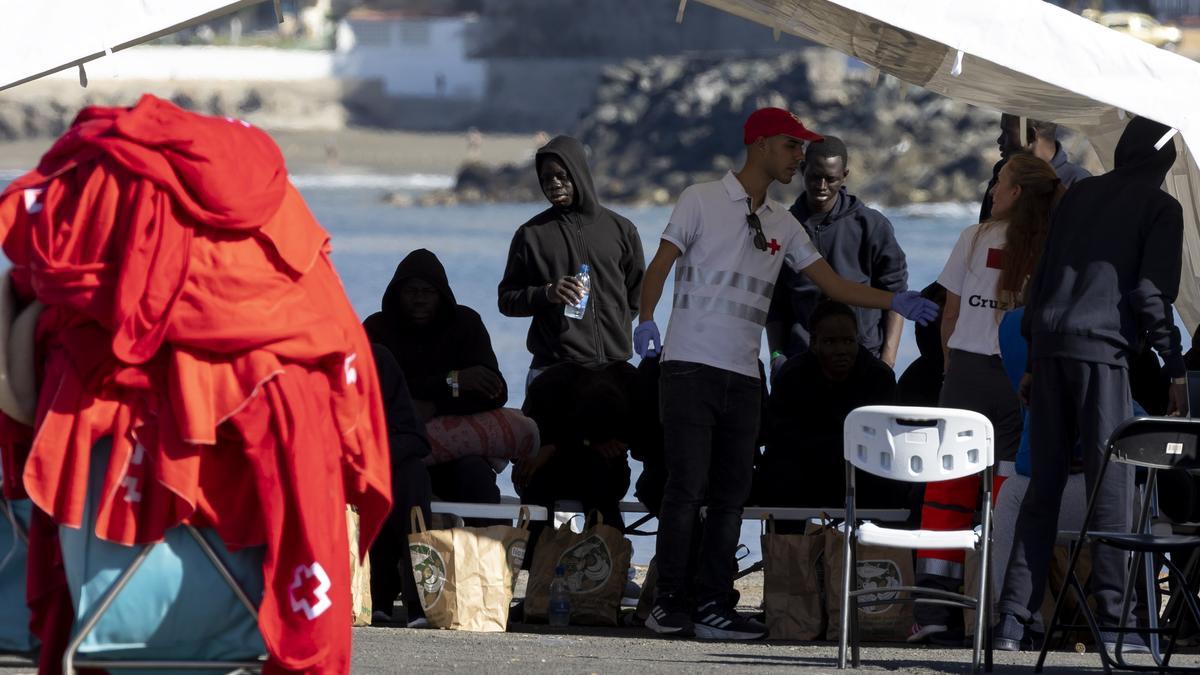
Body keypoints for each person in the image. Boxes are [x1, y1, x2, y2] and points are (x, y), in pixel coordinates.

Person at [635, 107, 938, 640]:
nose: (801, 157)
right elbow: (659, 264)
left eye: (803, 148)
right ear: (759, 144)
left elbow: (835, 286)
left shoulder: (783, 222)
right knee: (685, 490)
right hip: (688, 367)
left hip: (745, 376)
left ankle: (712, 607)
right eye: (792, 146)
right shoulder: (699, 199)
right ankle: (669, 603)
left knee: (731, 494)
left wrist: (896, 300)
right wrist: (644, 320)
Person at [994, 116, 1188, 655]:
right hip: (1101, 352)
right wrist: (1173, 366)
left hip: (1050, 345)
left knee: (1045, 487)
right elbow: (1152, 296)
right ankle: (1115, 621)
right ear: (1163, 162)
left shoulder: (1079, 195)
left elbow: (1045, 274)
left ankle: (1012, 620)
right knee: (1112, 488)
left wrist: (1032, 357)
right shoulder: (1160, 208)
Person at [909, 152, 1065, 645]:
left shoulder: (974, 238)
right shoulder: (1052, 245)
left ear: (1016, 192)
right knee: (1009, 502)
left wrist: (953, 370)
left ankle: (934, 615)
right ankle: (1008, 615)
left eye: (1000, 181)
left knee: (947, 498)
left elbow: (949, 315)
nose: (993, 188)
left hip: (968, 376)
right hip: (1019, 380)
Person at [364, 249, 540, 507]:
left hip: (460, 452)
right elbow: (371, 391)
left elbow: (494, 392)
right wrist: (453, 381)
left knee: (476, 479)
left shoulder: (465, 324)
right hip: (402, 453)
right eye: (412, 291)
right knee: (409, 481)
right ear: (397, 293)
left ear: (442, 294)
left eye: (428, 292)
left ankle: (485, 546)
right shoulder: (377, 329)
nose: (420, 300)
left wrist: (435, 403)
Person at [497, 135, 645, 382]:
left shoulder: (622, 229)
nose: (553, 184)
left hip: (615, 370)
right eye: (545, 179)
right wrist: (547, 293)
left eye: (561, 176)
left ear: (578, 173)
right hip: (554, 372)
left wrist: (611, 324)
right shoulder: (531, 235)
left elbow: (635, 295)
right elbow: (507, 301)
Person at [766, 136, 908, 370]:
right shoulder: (783, 228)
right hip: (800, 362)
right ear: (803, 170)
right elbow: (775, 304)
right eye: (814, 177)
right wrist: (776, 357)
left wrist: (887, 361)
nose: (822, 186)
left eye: (831, 179)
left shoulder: (872, 226)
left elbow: (895, 294)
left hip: (863, 360)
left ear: (845, 176)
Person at [754, 301, 902, 511]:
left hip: (863, 474)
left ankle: (876, 543)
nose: (841, 350)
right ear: (814, 343)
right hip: (803, 474)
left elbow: (887, 442)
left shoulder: (879, 377)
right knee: (778, 476)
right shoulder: (791, 376)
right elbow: (779, 438)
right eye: (831, 342)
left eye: (848, 341)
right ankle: (787, 543)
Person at [367, 344, 434, 627]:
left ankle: (417, 597)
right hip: (312, 462)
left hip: (369, 458)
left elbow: (415, 437)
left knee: (411, 474)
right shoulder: (291, 358)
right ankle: (374, 594)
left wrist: (371, 456)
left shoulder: (377, 359)